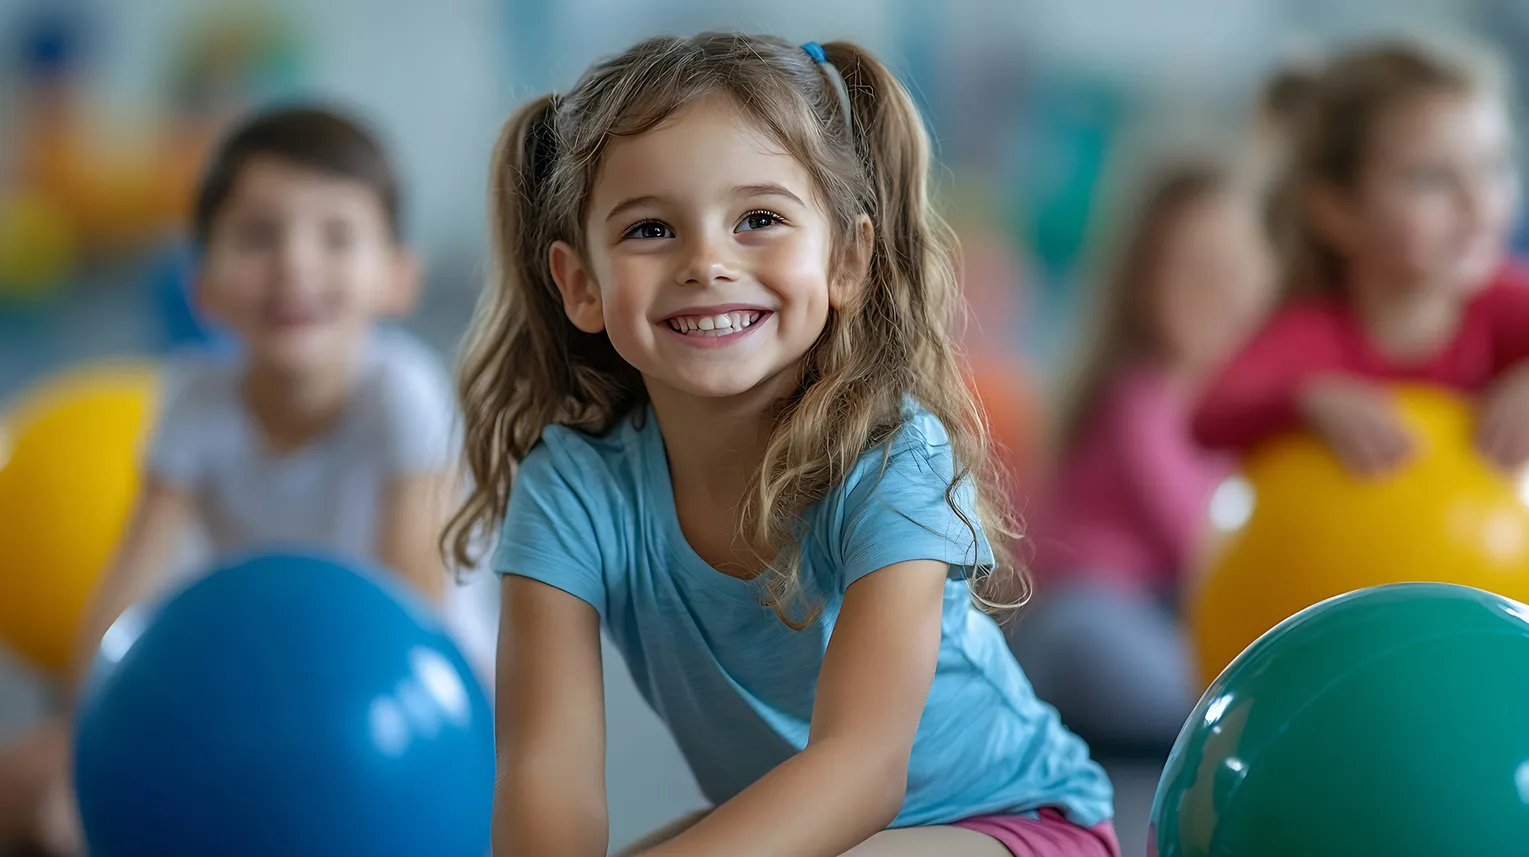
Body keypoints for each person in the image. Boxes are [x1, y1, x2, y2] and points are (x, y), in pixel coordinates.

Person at [447, 32, 1116, 857]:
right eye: (650, 229)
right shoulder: (571, 486)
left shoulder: (888, 454)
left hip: (1010, 819)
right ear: (580, 284)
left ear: (845, 259)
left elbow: (863, 767)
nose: (707, 262)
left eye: (758, 219)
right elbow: (545, 770)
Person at [0, 105, 494, 856]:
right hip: (246, 667)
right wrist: (89, 728)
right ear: (203, 287)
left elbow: (405, 603)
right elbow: (125, 587)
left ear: (398, 280)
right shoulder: (194, 398)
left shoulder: (403, 394)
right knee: (29, 791)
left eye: (336, 236)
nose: (295, 263)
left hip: (414, 695)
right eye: (258, 235)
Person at [1012, 164, 1274, 754]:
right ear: (1141, 282)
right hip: (1094, 610)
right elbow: (1200, 544)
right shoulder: (1144, 398)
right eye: (1195, 272)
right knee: (1088, 633)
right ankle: (1239, 720)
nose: (1220, 292)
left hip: (1171, 610)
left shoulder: (1238, 407)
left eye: (1235, 270)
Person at [1193, 41, 1529, 474]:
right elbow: (1208, 416)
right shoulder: (1312, 334)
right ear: (1336, 212)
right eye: (1432, 178)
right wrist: (1305, 400)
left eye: (1493, 166)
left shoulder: (1506, 305)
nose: (1478, 201)